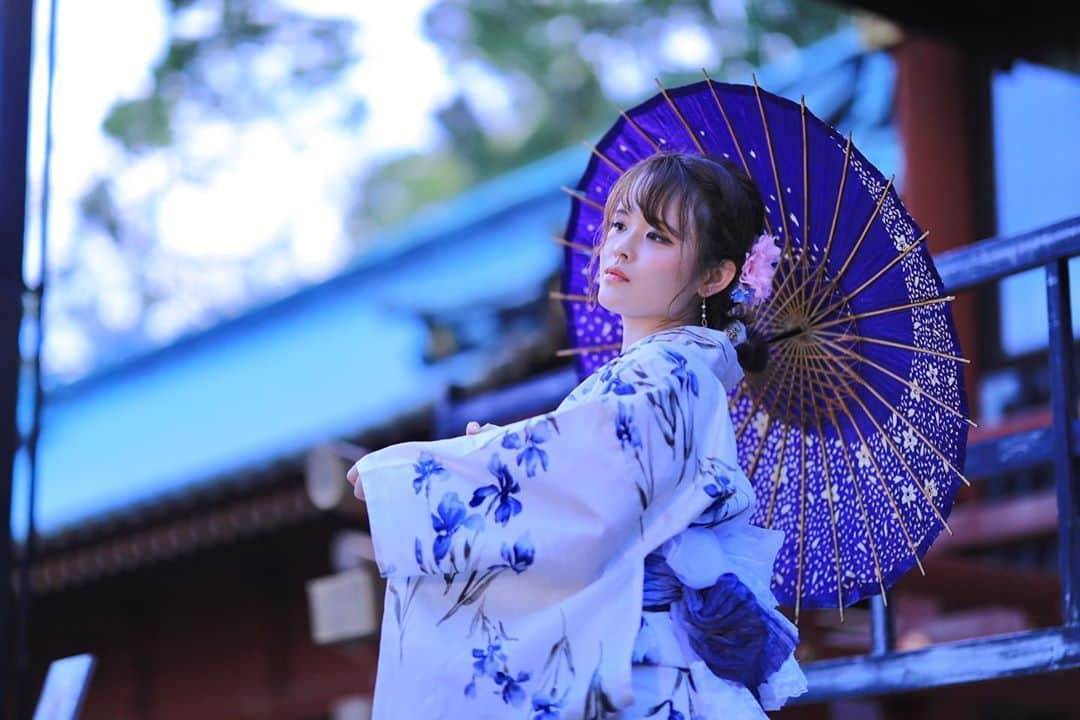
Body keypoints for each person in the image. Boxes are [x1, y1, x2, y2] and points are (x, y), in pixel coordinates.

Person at [346, 152, 806, 719]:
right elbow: (580, 471)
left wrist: (416, 480)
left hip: (648, 672)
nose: (622, 247)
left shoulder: (670, 372)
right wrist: (507, 451)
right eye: (619, 225)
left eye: (657, 237)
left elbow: (583, 484)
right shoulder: (663, 375)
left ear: (714, 276)